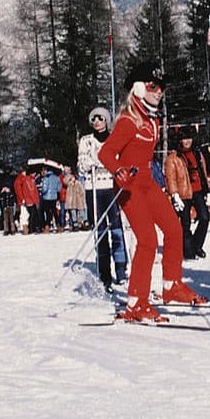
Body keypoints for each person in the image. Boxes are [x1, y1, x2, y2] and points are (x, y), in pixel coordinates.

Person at [98, 62, 208, 322]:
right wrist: (117, 170)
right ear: (138, 88)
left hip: (147, 182)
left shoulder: (151, 120)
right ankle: (136, 302)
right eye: (153, 86)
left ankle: (171, 285)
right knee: (147, 240)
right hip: (129, 186)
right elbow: (106, 153)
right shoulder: (128, 121)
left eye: (162, 88)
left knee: (174, 229)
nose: (159, 92)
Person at [78, 106, 130, 289]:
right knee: (100, 230)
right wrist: (102, 162)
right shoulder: (86, 141)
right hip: (94, 188)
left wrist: (108, 163)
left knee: (116, 227)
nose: (97, 122)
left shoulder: (114, 138)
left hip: (111, 186)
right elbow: (83, 164)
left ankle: (121, 268)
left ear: (107, 120)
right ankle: (104, 271)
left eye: (101, 118)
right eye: (94, 119)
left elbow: (119, 159)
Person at [164, 128, 199, 260]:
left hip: (186, 194)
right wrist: (174, 194)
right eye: (184, 139)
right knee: (180, 226)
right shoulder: (172, 159)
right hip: (179, 195)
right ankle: (185, 252)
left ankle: (187, 251)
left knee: (186, 224)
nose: (187, 141)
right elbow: (170, 177)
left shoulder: (185, 157)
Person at [13, 167, 40, 234]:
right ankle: (27, 229)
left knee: (27, 214)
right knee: (25, 214)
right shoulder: (24, 179)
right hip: (26, 200)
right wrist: (22, 199)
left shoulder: (21, 179)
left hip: (25, 200)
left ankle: (27, 228)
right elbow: (25, 190)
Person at [37, 168, 61, 233]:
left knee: (48, 212)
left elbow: (44, 188)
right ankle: (58, 225)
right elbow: (59, 188)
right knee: (55, 212)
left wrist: (42, 192)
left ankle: (47, 226)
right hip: (54, 197)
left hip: (46, 197)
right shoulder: (56, 177)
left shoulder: (46, 178)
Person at [62, 166, 86, 231]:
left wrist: (82, 197)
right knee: (74, 212)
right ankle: (76, 223)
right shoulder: (70, 184)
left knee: (80, 212)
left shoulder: (77, 183)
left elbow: (82, 191)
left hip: (77, 200)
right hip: (73, 200)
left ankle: (84, 222)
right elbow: (65, 181)